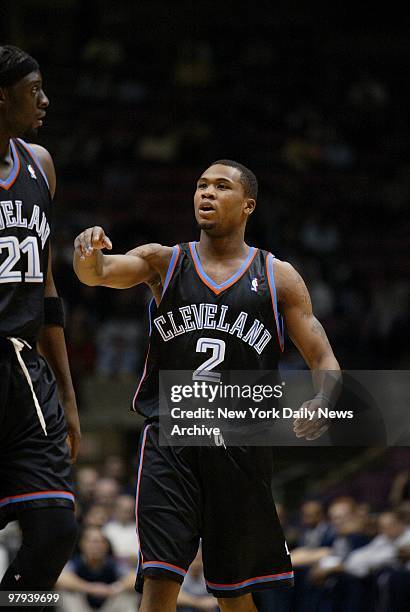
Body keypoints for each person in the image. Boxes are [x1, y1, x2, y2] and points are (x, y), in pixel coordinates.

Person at [73, 159, 340, 612]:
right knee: (159, 579)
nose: (207, 193)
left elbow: (324, 358)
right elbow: (98, 274)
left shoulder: (277, 276)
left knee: (233, 594)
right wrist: (87, 254)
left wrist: (322, 399)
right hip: (171, 440)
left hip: (240, 444)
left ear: (247, 205)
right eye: (201, 185)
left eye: (221, 186)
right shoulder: (164, 260)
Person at [0, 45, 80, 593]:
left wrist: (70, 398)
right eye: (35, 91)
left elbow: (47, 288)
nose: (45, 100)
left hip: (26, 370)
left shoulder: (40, 164)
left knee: (54, 530)